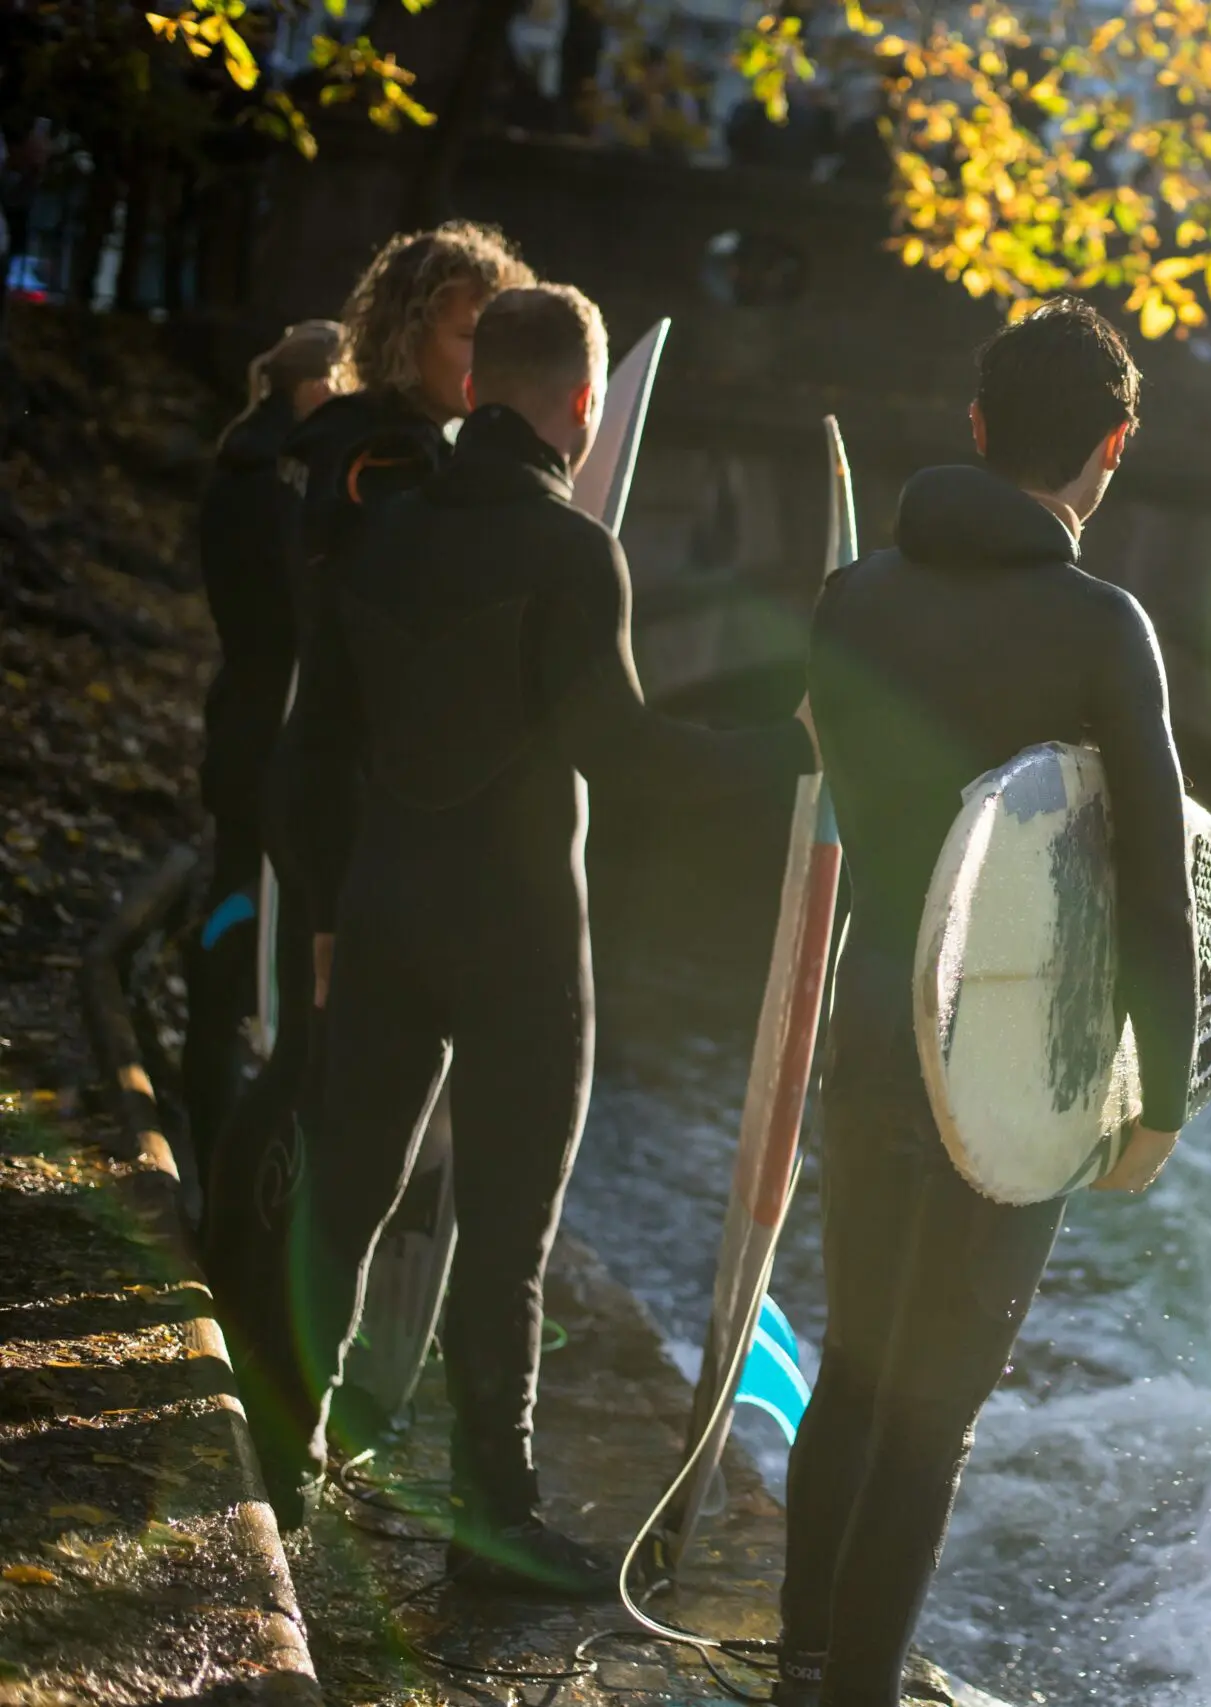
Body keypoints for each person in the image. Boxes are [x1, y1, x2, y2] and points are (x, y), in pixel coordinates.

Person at [261, 283, 820, 1596]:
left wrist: (331, 917)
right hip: (516, 938)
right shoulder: (575, 552)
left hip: (389, 909)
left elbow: (308, 752)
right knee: (506, 1235)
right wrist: (790, 747)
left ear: (472, 389)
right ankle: (489, 1520)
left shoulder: (377, 531)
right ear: (585, 403)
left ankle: (284, 1469)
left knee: (346, 1197)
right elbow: (620, 756)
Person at [786, 298, 1198, 1707]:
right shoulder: (1102, 624)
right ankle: (857, 1691)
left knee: (851, 1368)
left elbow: (827, 785)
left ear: (973, 426)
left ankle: (797, 1666)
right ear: (1113, 446)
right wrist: (1164, 1093)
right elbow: (1157, 882)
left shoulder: (855, 595)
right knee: (933, 1406)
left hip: (866, 1026)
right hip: (1008, 1064)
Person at [203, 221, 533, 1481]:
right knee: (316, 1076)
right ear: (411, 331)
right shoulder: (376, 458)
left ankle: (246, 1318)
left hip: (338, 789)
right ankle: (245, 1317)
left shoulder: (391, 449)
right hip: (336, 797)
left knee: (314, 1067)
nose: (483, 357)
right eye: (469, 331)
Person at [183, 319, 342, 1159]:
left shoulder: (241, 463)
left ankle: (211, 1099)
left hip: (242, 718)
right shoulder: (280, 484)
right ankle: (221, 1140)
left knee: (231, 897)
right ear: (313, 386)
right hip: (270, 733)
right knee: (244, 919)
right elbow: (293, 617)